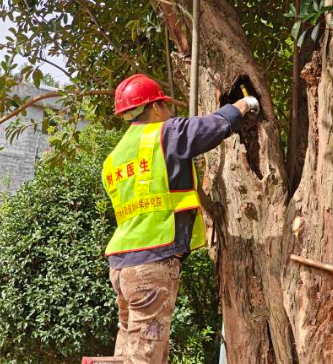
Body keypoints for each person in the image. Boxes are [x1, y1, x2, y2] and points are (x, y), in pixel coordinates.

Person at [102, 74, 259, 363]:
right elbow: (210, 127)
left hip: (121, 263)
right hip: (152, 260)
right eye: (166, 106)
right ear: (156, 106)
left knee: (129, 349)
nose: (170, 112)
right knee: (145, 355)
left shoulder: (114, 158)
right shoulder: (163, 133)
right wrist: (243, 104)